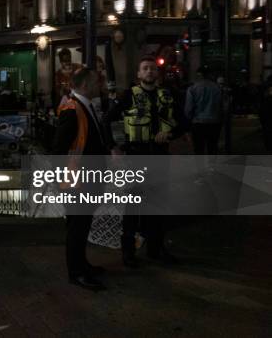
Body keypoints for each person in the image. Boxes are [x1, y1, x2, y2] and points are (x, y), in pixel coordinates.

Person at [105, 56, 186, 268]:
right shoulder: (128, 96)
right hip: (134, 158)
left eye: (152, 69)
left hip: (159, 158)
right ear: (139, 75)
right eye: (145, 69)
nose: (149, 71)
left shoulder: (168, 96)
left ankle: (156, 249)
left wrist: (169, 134)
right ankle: (128, 253)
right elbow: (107, 119)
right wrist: (114, 147)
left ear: (157, 74)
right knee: (132, 209)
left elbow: (185, 123)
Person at [53, 68, 110, 291]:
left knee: (82, 225)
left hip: (85, 179)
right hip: (77, 182)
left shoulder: (84, 105)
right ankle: (76, 273)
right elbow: (58, 150)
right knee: (77, 227)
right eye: (97, 81)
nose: (100, 85)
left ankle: (82, 265)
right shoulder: (72, 109)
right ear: (86, 85)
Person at [184, 67, 223, 155]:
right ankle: (212, 167)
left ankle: (200, 167)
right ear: (209, 75)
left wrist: (188, 122)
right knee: (212, 146)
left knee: (199, 148)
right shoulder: (217, 88)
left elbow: (188, 109)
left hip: (198, 122)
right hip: (214, 121)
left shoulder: (192, 88)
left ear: (199, 75)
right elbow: (221, 106)